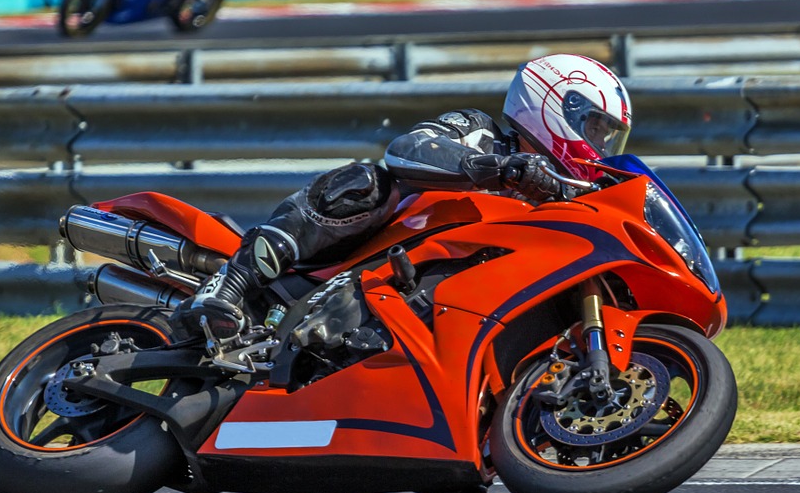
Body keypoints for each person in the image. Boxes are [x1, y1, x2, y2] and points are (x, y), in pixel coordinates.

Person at [177, 54, 634, 344]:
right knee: (366, 182)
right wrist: (501, 168)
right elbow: (407, 149)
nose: (599, 144)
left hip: (439, 305)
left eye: (607, 136)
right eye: (595, 128)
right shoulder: (481, 132)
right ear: (555, 106)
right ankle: (233, 282)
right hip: (364, 258)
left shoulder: (561, 192)